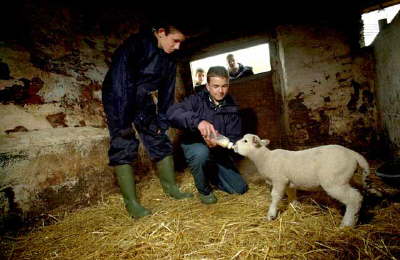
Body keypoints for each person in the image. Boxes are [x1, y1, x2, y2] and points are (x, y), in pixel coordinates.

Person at [101, 21, 193, 219]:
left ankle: (171, 188)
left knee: (159, 137)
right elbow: (120, 83)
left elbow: (167, 93)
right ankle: (132, 204)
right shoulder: (134, 46)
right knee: (123, 143)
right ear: (160, 32)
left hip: (142, 98)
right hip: (117, 97)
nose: (178, 46)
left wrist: (162, 122)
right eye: (175, 40)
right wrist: (123, 121)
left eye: (180, 42)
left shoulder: (169, 58)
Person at [167, 66, 248, 204]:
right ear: (207, 86)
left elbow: (234, 138)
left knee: (240, 189)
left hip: (218, 150)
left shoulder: (232, 107)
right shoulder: (196, 100)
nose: (221, 91)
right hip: (195, 145)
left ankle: (209, 172)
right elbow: (172, 114)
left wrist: (219, 143)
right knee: (200, 153)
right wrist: (198, 122)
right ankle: (204, 190)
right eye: (216, 86)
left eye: (224, 86)